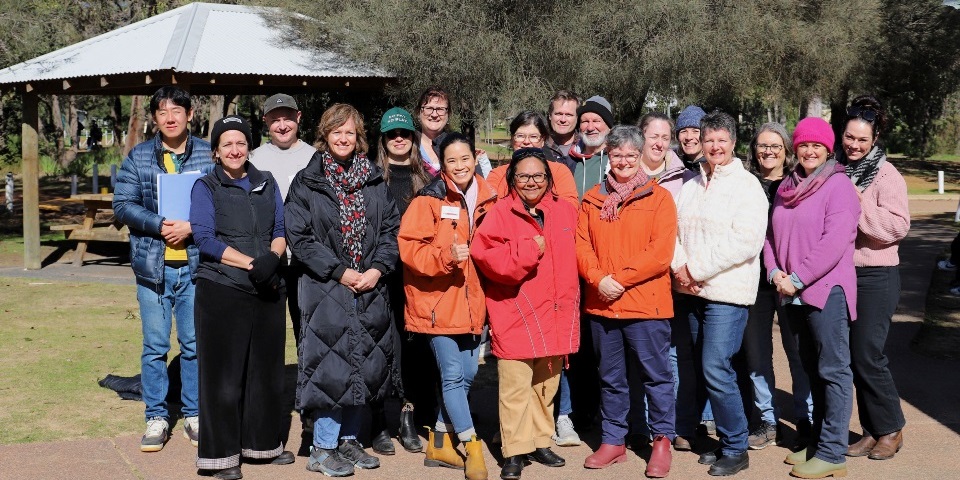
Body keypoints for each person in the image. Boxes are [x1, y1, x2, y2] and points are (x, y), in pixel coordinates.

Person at [285, 103, 400, 478]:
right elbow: (299, 238)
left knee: (364, 363)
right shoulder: (308, 181)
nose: (343, 138)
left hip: (369, 286)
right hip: (325, 287)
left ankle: (350, 440)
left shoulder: (373, 179)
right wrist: (340, 272)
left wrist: (377, 269)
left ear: (358, 136)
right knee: (330, 367)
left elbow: (390, 232)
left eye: (349, 132)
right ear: (325, 134)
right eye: (336, 131)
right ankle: (322, 447)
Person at [190, 115, 294, 479]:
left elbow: (280, 230)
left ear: (248, 146)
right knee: (223, 378)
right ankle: (221, 457)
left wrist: (273, 258)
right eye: (226, 144)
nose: (235, 150)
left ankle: (262, 446)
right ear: (216, 152)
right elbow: (205, 238)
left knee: (265, 374)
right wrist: (253, 263)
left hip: (267, 289)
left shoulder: (266, 183)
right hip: (221, 288)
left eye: (240, 142)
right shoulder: (206, 186)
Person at [113, 85, 212, 453]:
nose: (170, 117)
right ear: (154, 118)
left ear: (189, 114)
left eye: (177, 110)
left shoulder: (208, 154)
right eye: (162, 112)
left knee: (194, 345)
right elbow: (122, 205)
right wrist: (158, 223)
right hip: (153, 268)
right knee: (155, 346)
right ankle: (156, 416)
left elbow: (220, 201)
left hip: (196, 266)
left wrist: (193, 226)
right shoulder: (139, 157)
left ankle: (194, 414)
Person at [472, 148, 580, 480]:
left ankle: (539, 440)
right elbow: (485, 256)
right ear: (512, 179)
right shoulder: (500, 213)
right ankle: (515, 450)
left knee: (547, 385)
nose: (531, 182)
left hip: (558, 311)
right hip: (516, 311)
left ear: (549, 179)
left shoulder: (565, 211)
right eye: (523, 176)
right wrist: (529, 250)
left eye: (538, 176)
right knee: (515, 388)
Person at [576, 125, 678, 478]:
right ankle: (613, 440)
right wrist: (598, 278)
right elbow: (582, 245)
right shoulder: (591, 199)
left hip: (645, 304)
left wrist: (619, 279)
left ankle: (661, 440)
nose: (623, 161)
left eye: (630, 156)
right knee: (611, 377)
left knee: (657, 376)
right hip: (603, 304)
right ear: (608, 155)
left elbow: (660, 252)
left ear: (640, 157)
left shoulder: (659, 198)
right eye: (617, 155)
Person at [672, 111, 768, 476]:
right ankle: (725, 440)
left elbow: (744, 242)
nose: (714, 146)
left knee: (716, 366)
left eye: (721, 140)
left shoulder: (747, 186)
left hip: (728, 293)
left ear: (733, 143)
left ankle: (736, 446)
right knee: (700, 366)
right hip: (693, 292)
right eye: (709, 139)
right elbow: (675, 231)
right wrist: (680, 268)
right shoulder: (693, 184)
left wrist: (695, 270)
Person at [398, 132, 497, 480]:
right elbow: (409, 250)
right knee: (453, 376)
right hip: (437, 304)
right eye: (451, 160)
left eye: (465, 158)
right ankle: (471, 446)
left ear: (475, 157)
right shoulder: (428, 200)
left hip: (473, 304)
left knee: (469, 375)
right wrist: (446, 256)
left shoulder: (490, 197)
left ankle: (439, 440)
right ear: (442, 163)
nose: (460, 166)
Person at [765, 117, 860, 479]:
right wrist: (775, 273)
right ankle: (819, 441)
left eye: (816, 145)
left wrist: (800, 278)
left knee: (832, 370)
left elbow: (835, 241)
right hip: (789, 291)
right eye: (803, 144)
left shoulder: (838, 186)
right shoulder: (787, 185)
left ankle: (834, 452)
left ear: (828, 149)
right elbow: (770, 238)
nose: (809, 150)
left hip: (825, 291)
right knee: (811, 370)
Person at [839, 96, 910, 461]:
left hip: (877, 275)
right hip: (843, 274)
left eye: (862, 140)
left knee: (868, 353)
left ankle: (892, 428)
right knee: (852, 356)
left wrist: (858, 201)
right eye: (850, 137)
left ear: (875, 138)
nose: (854, 145)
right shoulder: (836, 167)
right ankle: (871, 429)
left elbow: (898, 226)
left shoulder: (886, 175)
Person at [629, 113, 699, 452]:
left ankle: (668, 426)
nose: (659, 142)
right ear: (642, 136)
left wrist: (681, 266)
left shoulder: (683, 177)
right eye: (653, 135)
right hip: (635, 277)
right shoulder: (625, 170)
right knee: (636, 356)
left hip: (673, 275)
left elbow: (680, 228)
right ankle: (638, 424)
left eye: (665, 136)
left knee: (670, 356)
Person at [742, 123, 813, 451]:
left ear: (786, 150)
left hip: (790, 282)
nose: (768, 151)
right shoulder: (745, 183)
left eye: (775, 146)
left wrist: (795, 277)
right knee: (757, 356)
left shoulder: (799, 184)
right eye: (762, 145)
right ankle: (767, 420)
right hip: (752, 283)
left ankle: (806, 419)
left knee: (798, 354)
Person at [369, 106, 433, 455]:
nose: (399, 139)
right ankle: (378, 420)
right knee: (379, 347)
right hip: (381, 277)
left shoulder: (427, 182)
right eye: (392, 134)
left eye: (405, 134)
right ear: (383, 139)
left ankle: (407, 415)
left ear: (413, 138)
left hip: (417, 279)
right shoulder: (372, 178)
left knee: (412, 351)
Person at [250, 93, 317, 347]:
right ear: (266, 121)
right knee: (268, 332)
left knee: (307, 331)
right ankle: (270, 385)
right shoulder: (253, 160)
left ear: (298, 118)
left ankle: (307, 384)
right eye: (275, 119)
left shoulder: (316, 158)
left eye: (287, 118)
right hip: (270, 260)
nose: (282, 125)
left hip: (306, 263)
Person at [485, 111, 579, 207]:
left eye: (533, 137)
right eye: (520, 136)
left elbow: (570, 209)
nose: (526, 142)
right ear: (512, 139)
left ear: (543, 140)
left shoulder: (559, 172)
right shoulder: (497, 175)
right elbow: (488, 211)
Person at [415, 86, 492, 178]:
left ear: (448, 114)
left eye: (440, 109)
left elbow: (478, 183)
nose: (434, 114)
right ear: (419, 112)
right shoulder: (409, 145)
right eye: (429, 108)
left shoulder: (460, 145)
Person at [569, 95, 613, 199]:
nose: (590, 127)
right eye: (585, 121)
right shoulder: (570, 160)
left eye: (596, 121)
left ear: (609, 126)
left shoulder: (617, 159)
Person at [545, 90, 581, 172]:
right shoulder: (539, 147)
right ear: (550, 116)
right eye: (558, 114)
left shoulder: (586, 148)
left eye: (569, 115)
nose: (563, 119)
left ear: (577, 118)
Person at [674, 105, 707, 171]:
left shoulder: (717, 167)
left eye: (695, 131)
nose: (689, 137)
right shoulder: (671, 166)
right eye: (683, 131)